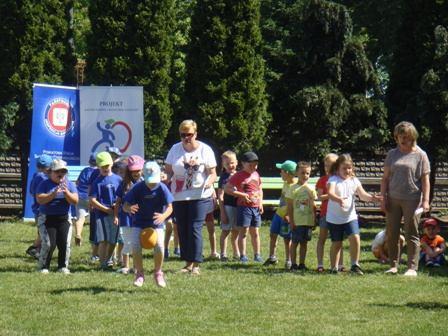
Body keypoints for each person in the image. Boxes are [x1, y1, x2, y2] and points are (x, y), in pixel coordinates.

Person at [165, 120, 217, 275]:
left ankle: (196, 264)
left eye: (189, 134)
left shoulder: (205, 150)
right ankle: (187, 263)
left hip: (200, 195)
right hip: (179, 196)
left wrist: (209, 182)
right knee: (182, 228)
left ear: (196, 134)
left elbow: (213, 173)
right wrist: (164, 176)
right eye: (183, 135)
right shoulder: (175, 149)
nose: (186, 138)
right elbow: (168, 171)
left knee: (194, 228)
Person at [380, 121, 431, 276]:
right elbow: (385, 179)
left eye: (406, 137)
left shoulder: (421, 155)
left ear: (413, 137)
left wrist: (426, 201)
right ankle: (393, 266)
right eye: (400, 137)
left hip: (412, 199)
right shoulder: (392, 154)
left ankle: (411, 268)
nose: (403, 140)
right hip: (393, 199)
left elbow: (425, 180)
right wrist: (383, 198)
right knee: (392, 233)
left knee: (411, 233)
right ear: (396, 137)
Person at [327, 154, 382, 275]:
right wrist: (339, 199)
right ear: (337, 168)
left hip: (350, 216)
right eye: (344, 168)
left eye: (349, 168)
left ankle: (355, 265)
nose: (347, 171)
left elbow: (363, 195)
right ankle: (333, 268)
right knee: (337, 243)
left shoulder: (354, 180)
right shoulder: (333, 180)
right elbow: (330, 193)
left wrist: (374, 198)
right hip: (334, 218)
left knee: (355, 238)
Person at [123, 161, 173, 287]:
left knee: (160, 246)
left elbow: (170, 207)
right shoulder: (137, 188)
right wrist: (129, 209)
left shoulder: (162, 187)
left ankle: (158, 272)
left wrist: (164, 216)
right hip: (138, 223)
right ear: (144, 176)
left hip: (157, 223)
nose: (152, 184)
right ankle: (139, 273)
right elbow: (125, 205)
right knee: (135, 246)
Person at [36, 159, 78, 273]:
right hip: (47, 218)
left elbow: (75, 201)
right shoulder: (44, 183)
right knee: (49, 243)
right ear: (51, 172)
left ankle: (62, 266)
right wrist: (53, 194)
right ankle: (43, 266)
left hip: (64, 218)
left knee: (64, 243)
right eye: (57, 171)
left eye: (63, 172)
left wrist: (66, 193)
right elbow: (40, 199)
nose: (60, 174)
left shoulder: (69, 184)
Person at [225, 151, 263, 263]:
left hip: (255, 207)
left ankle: (257, 254)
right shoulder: (238, 175)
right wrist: (241, 195)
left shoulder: (256, 174)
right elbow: (227, 188)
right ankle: (243, 255)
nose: (253, 167)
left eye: (255, 165)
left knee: (255, 232)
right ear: (243, 164)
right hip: (244, 207)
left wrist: (260, 203)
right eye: (250, 165)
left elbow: (260, 189)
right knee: (244, 231)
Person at [89, 151, 122, 270]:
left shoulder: (118, 179)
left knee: (113, 240)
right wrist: (106, 209)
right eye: (102, 166)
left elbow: (121, 196)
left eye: (107, 165)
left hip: (116, 213)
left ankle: (108, 260)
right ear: (97, 166)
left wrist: (117, 205)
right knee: (103, 240)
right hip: (101, 214)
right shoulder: (97, 181)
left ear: (112, 164)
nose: (105, 168)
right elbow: (92, 200)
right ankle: (102, 263)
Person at [114, 155, 144, 274]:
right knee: (127, 241)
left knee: (137, 242)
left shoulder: (146, 183)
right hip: (126, 218)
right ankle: (125, 265)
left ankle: (137, 266)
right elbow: (118, 202)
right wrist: (116, 216)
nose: (136, 173)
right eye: (133, 171)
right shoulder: (124, 184)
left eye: (138, 170)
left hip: (140, 219)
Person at [264, 160, 297, 269]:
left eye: (282, 171)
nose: (280, 173)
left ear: (287, 172)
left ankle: (289, 260)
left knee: (287, 239)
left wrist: (288, 215)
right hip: (279, 214)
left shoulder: (295, 186)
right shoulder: (285, 183)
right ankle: (272, 257)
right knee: (273, 234)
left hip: (287, 216)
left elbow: (294, 204)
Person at [315, 153, 345, 272]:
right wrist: (332, 195)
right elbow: (320, 197)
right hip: (325, 213)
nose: (328, 168)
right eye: (326, 165)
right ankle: (320, 264)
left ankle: (340, 264)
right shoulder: (323, 180)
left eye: (331, 165)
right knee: (322, 238)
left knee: (338, 240)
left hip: (338, 214)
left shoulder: (341, 179)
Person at [286, 161, 316, 271]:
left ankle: (302, 264)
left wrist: (314, 219)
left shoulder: (311, 189)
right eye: (302, 173)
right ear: (297, 173)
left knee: (304, 243)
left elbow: (313, 206)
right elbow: (290, 207)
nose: (305, 176)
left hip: (307, 221)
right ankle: (293, 264)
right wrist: (292, 221)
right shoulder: (292, 188)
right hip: (297, 221)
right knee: (294, 243)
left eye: (307, 173)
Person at [26, 154, 53, 259]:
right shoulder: (42, 177)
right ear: (48, 167)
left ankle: (37, 250)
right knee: (44, 232)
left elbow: (32, 192)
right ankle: (35, 249)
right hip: (41, 209)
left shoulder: (36, 176)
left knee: (42, 231)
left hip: (38, 208)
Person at [217, 150, 239, 261]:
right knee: (225, 231)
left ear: (236, 162)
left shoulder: (240, 175)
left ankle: (236, 253)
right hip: (227, 207)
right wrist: (223, 212)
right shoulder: (223, 177)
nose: (230, 165)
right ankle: (223, 254)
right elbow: (220, 195)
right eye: (227, 164)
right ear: (223, 165)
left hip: (238, 206)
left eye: (232, 163)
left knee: (236, 231)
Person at [74, 153, 97, 246]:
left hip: (80, 197)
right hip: (92, 198)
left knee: (80, 218)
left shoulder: (85, 170)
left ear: (89, 162)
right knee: (95, 220)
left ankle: (78, 234)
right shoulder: (98, 172)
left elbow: (78, 182)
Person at [161, 169, 180, 259]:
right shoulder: (160, 185)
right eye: (162, 173)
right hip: (167, 208)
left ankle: (177, 248)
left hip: (176, 207)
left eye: (165, 172)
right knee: (169, 228)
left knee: (177, 228)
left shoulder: (173, 182)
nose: (163, 174)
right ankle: (166, 249)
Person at [204, 190, 219, 259]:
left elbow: (212, 188)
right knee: (196, 231)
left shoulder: (210, 179)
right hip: (197, 204)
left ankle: (214, 252)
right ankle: (198, 252)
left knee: (211, 230)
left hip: (208, 204)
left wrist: (215, 200)